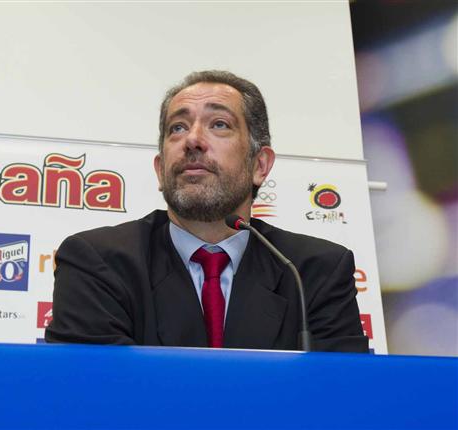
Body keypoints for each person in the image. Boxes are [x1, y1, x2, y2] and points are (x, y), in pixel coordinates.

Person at [45, 70, 368, 352]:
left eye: (219, 124)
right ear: (160, 169)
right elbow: (95, 390)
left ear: (260, 165)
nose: (193, 140)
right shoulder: (97, 262)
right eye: (178, 128)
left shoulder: (313, 272)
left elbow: (338, 391)